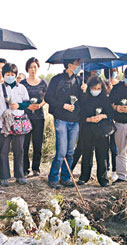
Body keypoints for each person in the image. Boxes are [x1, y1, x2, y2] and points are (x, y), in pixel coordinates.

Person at [45, 59, 86, 189]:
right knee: (61, 152)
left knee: (70, 152)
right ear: (69, 65)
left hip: (75, 121)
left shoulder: (80, 81)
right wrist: (63, 106)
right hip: (61, 119)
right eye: (77, 64)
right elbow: (48, 98)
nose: (79, 67)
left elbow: (83, 102)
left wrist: (84, 91)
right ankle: (53, 178)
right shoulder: (56, 80)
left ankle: (66, 177)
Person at [0, 63, 30, 187]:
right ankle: (4, 176)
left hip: (18, 123)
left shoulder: (21, 88)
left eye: (12, 74)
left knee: (19, 149)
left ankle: (20, 174)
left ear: (16, 75)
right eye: (7, 74)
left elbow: (27, 103)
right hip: (3, 124)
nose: (10, 76)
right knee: (3, 150)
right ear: (3, 74)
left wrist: (19, 105)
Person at [77, 76, 114, 187]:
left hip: (102, 130)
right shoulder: (84, 98)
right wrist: (88, 119)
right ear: (89, 88)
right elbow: (79, 114)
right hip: (87, 129)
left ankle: (103, 179)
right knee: (87, 153)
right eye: (94, 88)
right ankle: (84, 177)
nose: (96, 91)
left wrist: (103, 116)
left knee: (102, 154)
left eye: (98, 88)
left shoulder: (105, 99)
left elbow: (111, 113)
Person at [21, 57, 47, 177]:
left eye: (35, 67)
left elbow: (47, 98)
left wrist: (39, 105)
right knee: (25, 144)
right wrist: (28, 106)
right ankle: (25, 168)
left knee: (37, 143)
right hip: (25, 117)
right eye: (30, 67)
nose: (33, 69)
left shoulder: (43, 83)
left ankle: (36, 168)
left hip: (39, 117)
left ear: (38, 68)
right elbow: (19, 98)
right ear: (27, 68)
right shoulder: (22, 83)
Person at [103, 68, 120, 181]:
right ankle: (106, 168)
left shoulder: (120, 85)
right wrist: (108, 91)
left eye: (114, 71)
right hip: (105, 120)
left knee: (114, 147)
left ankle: (115, 170)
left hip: (117, 120)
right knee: (105, 146)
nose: (112, 73)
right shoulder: (103, 84)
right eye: (109, 71)